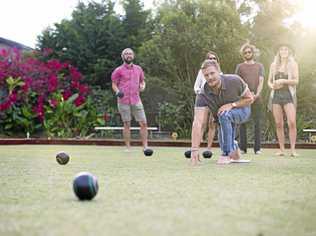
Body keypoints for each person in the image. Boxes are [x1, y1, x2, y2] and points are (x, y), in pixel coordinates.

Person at [190, 59, 254, 165]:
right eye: (206, 75)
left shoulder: (234, 80)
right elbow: (197, 122)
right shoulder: (202, 94)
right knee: (225, 140)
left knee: (224, 115)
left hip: (242, 110)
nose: (210, 77)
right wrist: (194, 149)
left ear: (219, 71)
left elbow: (250, 99)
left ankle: (225, 154)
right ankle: (233, 147)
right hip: (222, 119)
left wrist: (232, 105)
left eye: (212, 73)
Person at [111, 48, 149, 152]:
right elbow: (114, 84)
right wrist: (117, 92)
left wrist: (143, 86)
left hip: (136, 100)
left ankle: (145, 146)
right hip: (123, 101)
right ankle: (128, 147)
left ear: (133, 56)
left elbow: (142, 81)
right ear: (123, 56)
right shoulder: (118, 70)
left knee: (143, 123)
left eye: (130, 54)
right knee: (127, 123)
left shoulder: (138, 69)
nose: (129, 55)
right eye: (126, 54)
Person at [267, 44, 299, 157]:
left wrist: (283, 81)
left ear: (289, 51)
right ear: (279, 52)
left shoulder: (293, 64)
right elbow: (269, 81)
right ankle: (281, 149)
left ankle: (293, 150)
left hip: (288, 95)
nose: (283, 51)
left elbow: (296, 81)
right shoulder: (273, 65)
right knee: (278, 123)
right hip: (276, 96)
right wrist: (272, 86)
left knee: (292, 122)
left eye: (286, 49)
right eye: (281, 49)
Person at [235, 43, 265, 154]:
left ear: (253, 53)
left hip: (257, 98)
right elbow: (237, 82)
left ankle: (257, 149)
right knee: (242, 122)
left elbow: (261, 81)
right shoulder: (240, 67)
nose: (247, 54)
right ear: (243, 54)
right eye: (245, 52)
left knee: (257, 123)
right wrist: (246, 94)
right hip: (244, 98)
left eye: (249, 52)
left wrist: (256, 94)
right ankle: (243, 148)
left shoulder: (259, 66)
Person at [193, 51, 219, 154]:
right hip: (203, 98)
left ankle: (208, 149)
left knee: (212, 123)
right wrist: (201, 93)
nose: (212, 60)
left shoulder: (220, 74)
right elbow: (196, 86)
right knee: (201, 123)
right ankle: (196, 148)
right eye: (210, 58)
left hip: (214, 100)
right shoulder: (201, 72)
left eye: (214, 59)